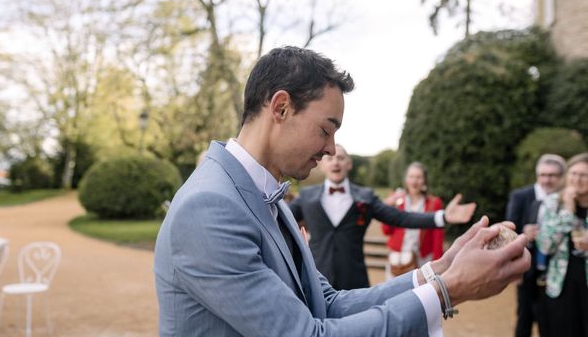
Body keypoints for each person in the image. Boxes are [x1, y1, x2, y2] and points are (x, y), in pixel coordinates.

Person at [154, 45, 531, 336]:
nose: (332, 148)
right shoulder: (209, 206)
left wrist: (438, 270)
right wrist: (448, 290)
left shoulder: (274, 200)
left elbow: (328, 304)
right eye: (326, 129)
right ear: (281, 108)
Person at [290, 148, 472, 290]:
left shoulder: (366, 197)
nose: (335, 162)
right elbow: (278, 219)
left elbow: (400, 218)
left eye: (341, 158)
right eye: (330, 158)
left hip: (355, 281)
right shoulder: (306, 197)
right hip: (316, 279)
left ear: (349, 164)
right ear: (321, 164)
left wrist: (442, 216)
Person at [505, 153, 566, 337]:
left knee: (555, 318)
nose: (546, 180)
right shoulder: (521, 196)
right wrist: (524, 234)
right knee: (524, 316)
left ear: (561, 177)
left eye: (552, 175)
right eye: (542, 175)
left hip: (559, 269)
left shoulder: (567, 198)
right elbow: (509, 232)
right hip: (527, 268)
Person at [537, 152, 588, 336]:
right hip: (561, 284)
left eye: (583, 175)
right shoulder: (554, 202)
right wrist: (568, 210)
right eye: (573, 173)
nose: (577, 179)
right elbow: (545, 245)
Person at [382, 162, 445, 281]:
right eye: (411, 177)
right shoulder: (397, 200)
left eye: (418, 177)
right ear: (406, 179)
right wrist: (389, 209)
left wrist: (437, 264)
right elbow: (386, 231)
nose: (414, 181)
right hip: (398, 260)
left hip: (423, 261)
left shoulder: (434, 203)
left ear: (424, 180)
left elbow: (438, 237)